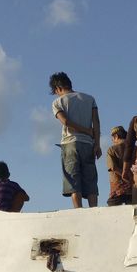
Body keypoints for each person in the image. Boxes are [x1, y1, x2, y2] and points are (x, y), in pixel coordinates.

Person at [50, 72, 101, 208]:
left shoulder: (58, 102)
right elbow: (96, 122)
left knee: (73, 181)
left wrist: (84, 130)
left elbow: (65, 121)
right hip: (88, 143)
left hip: (70, 143)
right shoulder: (89, 99)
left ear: (58, 88)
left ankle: (78, 211)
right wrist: (97, 144)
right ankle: (94, 210)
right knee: (90, 180)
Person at [105, 126, 132, 206]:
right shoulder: (135, 149)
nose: (112, 141)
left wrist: (125, 176)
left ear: (116, 136)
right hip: (133, 188)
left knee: (111, 210)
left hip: (118, 187)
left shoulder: (112, 150)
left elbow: (113, 167)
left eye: (112, 138)